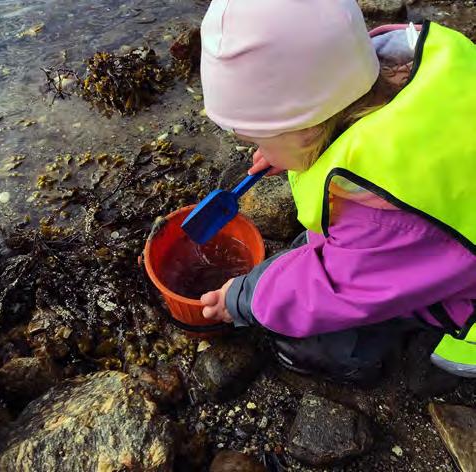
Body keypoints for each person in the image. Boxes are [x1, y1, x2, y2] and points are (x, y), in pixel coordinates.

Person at [198, 0, 476, 383]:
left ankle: (411, 356)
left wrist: (243, 298)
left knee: (310, 342)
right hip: (445, 226)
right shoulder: (424, 66)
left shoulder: (377, 206)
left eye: (257, 137)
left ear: (308, 129)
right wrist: (294, 153)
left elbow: (335, 288)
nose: (254, 149)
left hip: (466, 298)